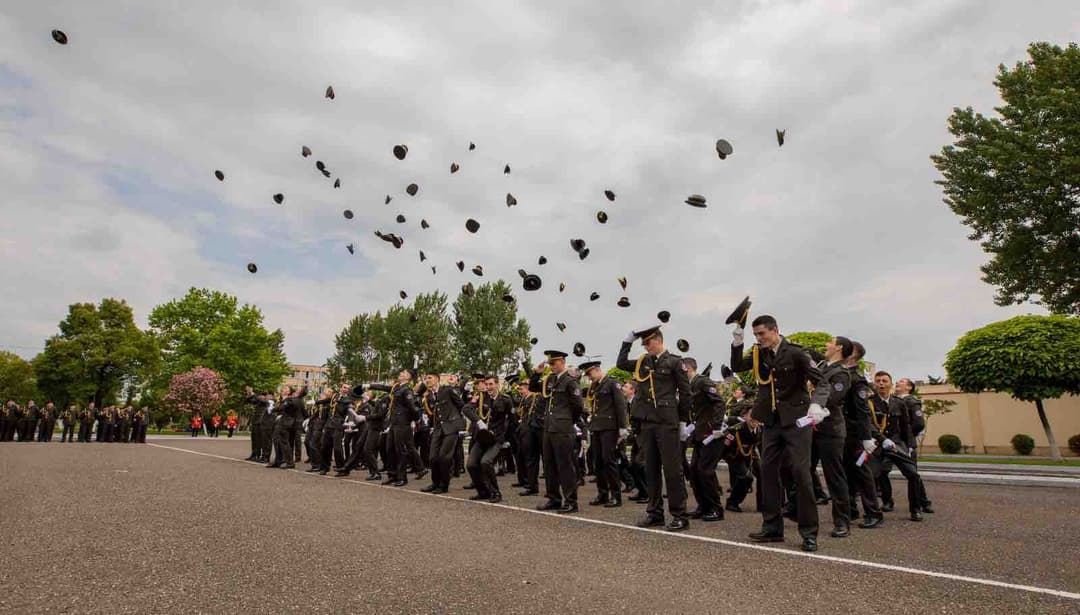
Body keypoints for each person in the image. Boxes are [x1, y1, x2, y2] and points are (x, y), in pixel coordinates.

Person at [730, 314, 830, 552]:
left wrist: (816, 404)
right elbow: (737, 367)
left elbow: (822, 382)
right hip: (772, 422)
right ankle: (772, 527)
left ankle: (809, 532)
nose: (759, 338)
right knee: (766, 472)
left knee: (800, 473)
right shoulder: (758, 353)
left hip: (797, 420)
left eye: (762, 333)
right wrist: (737, 342)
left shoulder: (796, 352)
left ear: (775, 330)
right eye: (755, 335)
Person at [617, 326, 692, 532]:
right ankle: (655, 513)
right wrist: (627, 341)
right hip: (647, 421)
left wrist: (683, 421)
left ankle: (679, 515)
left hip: (667, 421)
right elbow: (621, 363)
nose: (646, 346)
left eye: (648, 343)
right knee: (650, 469)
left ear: (658, 340)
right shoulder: (643, 362)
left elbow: (686, 394)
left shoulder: (675, 362)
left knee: (672, 470)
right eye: (643, 344)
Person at [808, 337, 856, 538]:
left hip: (830, 430)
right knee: (801, 470)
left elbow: (833, 398)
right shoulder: (822, 368)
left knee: (834, 476)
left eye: (830, 342)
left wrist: (816, 405)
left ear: (839, 348)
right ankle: (797, 510)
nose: (826, 345)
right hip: (812, 429)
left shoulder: (841, 373)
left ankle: (842, 521)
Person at [530, 350, 585, 514]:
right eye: (550, 364)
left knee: (565, 465)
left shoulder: (570, 381)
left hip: (562, 428)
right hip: (548, 427)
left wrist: (567, 420)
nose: (551, 366)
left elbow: (578, 406)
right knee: (549, 464)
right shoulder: (551, 379)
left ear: (562, 362)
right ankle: (553, 498)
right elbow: (534, 387)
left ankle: (571, 501)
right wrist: (537, 373)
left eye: (553, 363)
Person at [871, 371, 926, 522]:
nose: (881, 383)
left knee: (913, 474)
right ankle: (886, 502)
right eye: (878, 381)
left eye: (884, 381)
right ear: (875, 384)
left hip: (897, 443)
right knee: (876, 474)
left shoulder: (899, 402)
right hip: (878, 443)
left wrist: (909, 445)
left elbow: (906, 426)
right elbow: (868, 424)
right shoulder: (869, 402)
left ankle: (915, 509)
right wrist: (881, 439)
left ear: (890, 383)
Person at [843, 342, 884, 528]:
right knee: (846, 470)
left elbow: (862, 411)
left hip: (855, 433)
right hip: (843, 431)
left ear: (852, 355)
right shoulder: (842, 374)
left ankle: (873, 511)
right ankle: (851, 508)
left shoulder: (857, 379)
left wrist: (867, 437)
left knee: (861, 472)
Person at [682, 358, 726, 522]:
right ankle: (703, 506)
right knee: (694, 471)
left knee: (705, 471)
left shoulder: (703, 381)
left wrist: (715, 426)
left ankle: (716, 508)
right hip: (700, 434)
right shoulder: (690, 385)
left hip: (711, 434)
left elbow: (719, 403)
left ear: (687, 368)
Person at [580, 361, 629, 508]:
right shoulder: (595, 386)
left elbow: (620, 405)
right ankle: (602, 493)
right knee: (598, 462)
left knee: (609, 461)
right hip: (597, 427)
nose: (589, 377)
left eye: (590, 374)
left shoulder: (612, 383)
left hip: (609, 427)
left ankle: (615, 495)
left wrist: (622, 427)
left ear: (597, 369)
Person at [366, 369, 426, 487]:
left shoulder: (406, 390)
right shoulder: (397, 388)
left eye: (404, 373)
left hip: (402, 424)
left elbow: (413, 408)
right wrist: (369, 385)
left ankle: (402, 477)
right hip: (394, 423)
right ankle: (392, 475)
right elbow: (383, 387)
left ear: (409, 377)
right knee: (390, 449)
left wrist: (416, 420)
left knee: (400, 451)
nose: (401, 374)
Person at [462, 375, 512, 502]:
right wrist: (478, 421)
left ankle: (495, 493)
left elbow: (512, 420)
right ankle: (483, 491)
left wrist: (508, 439)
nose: (489, 387)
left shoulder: (505, 400)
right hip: (482, 437)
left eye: (491, 384)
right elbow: (466, 409)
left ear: (497, 384)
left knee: (486, 462)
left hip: (496, 439)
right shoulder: (481, 397)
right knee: (471, 464)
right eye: (487, 384)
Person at [418, 372, 465, 494]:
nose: (427, 380)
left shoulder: (447, 390)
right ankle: (435, 483)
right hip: (438, 429)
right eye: (426, 378)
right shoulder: (428, 396)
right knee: (433, 457)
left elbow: (461, 405)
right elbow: (431, 414)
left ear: (437, 379)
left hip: (451, 427)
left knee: (444, 457)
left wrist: (457, 423)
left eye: (429, 378)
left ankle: (444, 485)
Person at [896, 378, 934, 514]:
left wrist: (908, 436)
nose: (897, 383)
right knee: (882, 470)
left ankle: (923, 502)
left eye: (901, 381)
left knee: (913, 474)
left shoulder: (911, 401)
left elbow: (919, 423)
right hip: (894, 442)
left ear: (909, 387)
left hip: (906, 444)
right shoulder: (895, 400)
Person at [723, 386, 760, 513]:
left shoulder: (760, 429)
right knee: (746, 478)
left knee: (763, 474)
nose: (755, 419)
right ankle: (732, 502)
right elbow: (725, 446)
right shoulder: (736, 429)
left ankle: (762, 504)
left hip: (751, 455)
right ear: (744, 416)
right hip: (736, 456)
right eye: (752, 416)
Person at [318, 384, 353, 475]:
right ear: (340, 388)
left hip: (338, 425)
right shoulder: (335, 396)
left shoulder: (348, 400)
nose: (345, 389)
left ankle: (342, 468)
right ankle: (325, 467)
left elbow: (349, 414)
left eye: (347, 388)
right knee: (325, 447)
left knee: (337, 448)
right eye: (344, 387)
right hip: (329, 425)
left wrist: (347, 424)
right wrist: (319, 402)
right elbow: (328, 401)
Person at [267, 387, 302, 469]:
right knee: (276, 441)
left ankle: (290, 462)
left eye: (286, 388)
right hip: (282, 422)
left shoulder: (289, 399)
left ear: (289, 392)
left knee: (284, 442)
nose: (283, 389)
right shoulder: (284, 399)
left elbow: (282, 408)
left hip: (286, 423)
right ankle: (278, 461)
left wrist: (272, 409)